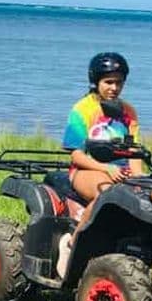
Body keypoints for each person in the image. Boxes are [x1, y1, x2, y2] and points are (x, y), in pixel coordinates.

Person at [55, 52, 142, 278]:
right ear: (96, 81)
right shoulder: (83, 109)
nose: (114, 88)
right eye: (108, 82)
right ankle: (71, 246)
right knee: (107, 193)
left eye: (119, 82)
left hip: (121, 171)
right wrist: (106, 169)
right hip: (87, 169)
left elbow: (134, 152)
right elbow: (76, 155)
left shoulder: (128, 112)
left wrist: (140, 178)